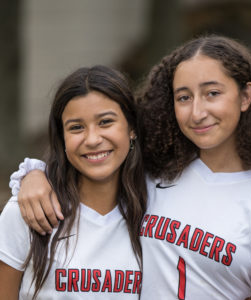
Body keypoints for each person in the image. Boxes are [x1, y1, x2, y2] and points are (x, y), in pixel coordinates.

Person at [8, 35, 251, 299]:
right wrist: (33, 174)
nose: (198, 112)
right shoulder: (154, 174)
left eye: (213, 93)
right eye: (184, 97)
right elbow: (95, 157)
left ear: (246, 96)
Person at [0, 65, 147, 299]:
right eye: (76, 127)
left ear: (131, 129)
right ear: (62, 138)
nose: (92, 139)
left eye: (106, 122)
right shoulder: (26, 212)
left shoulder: (156, 211)